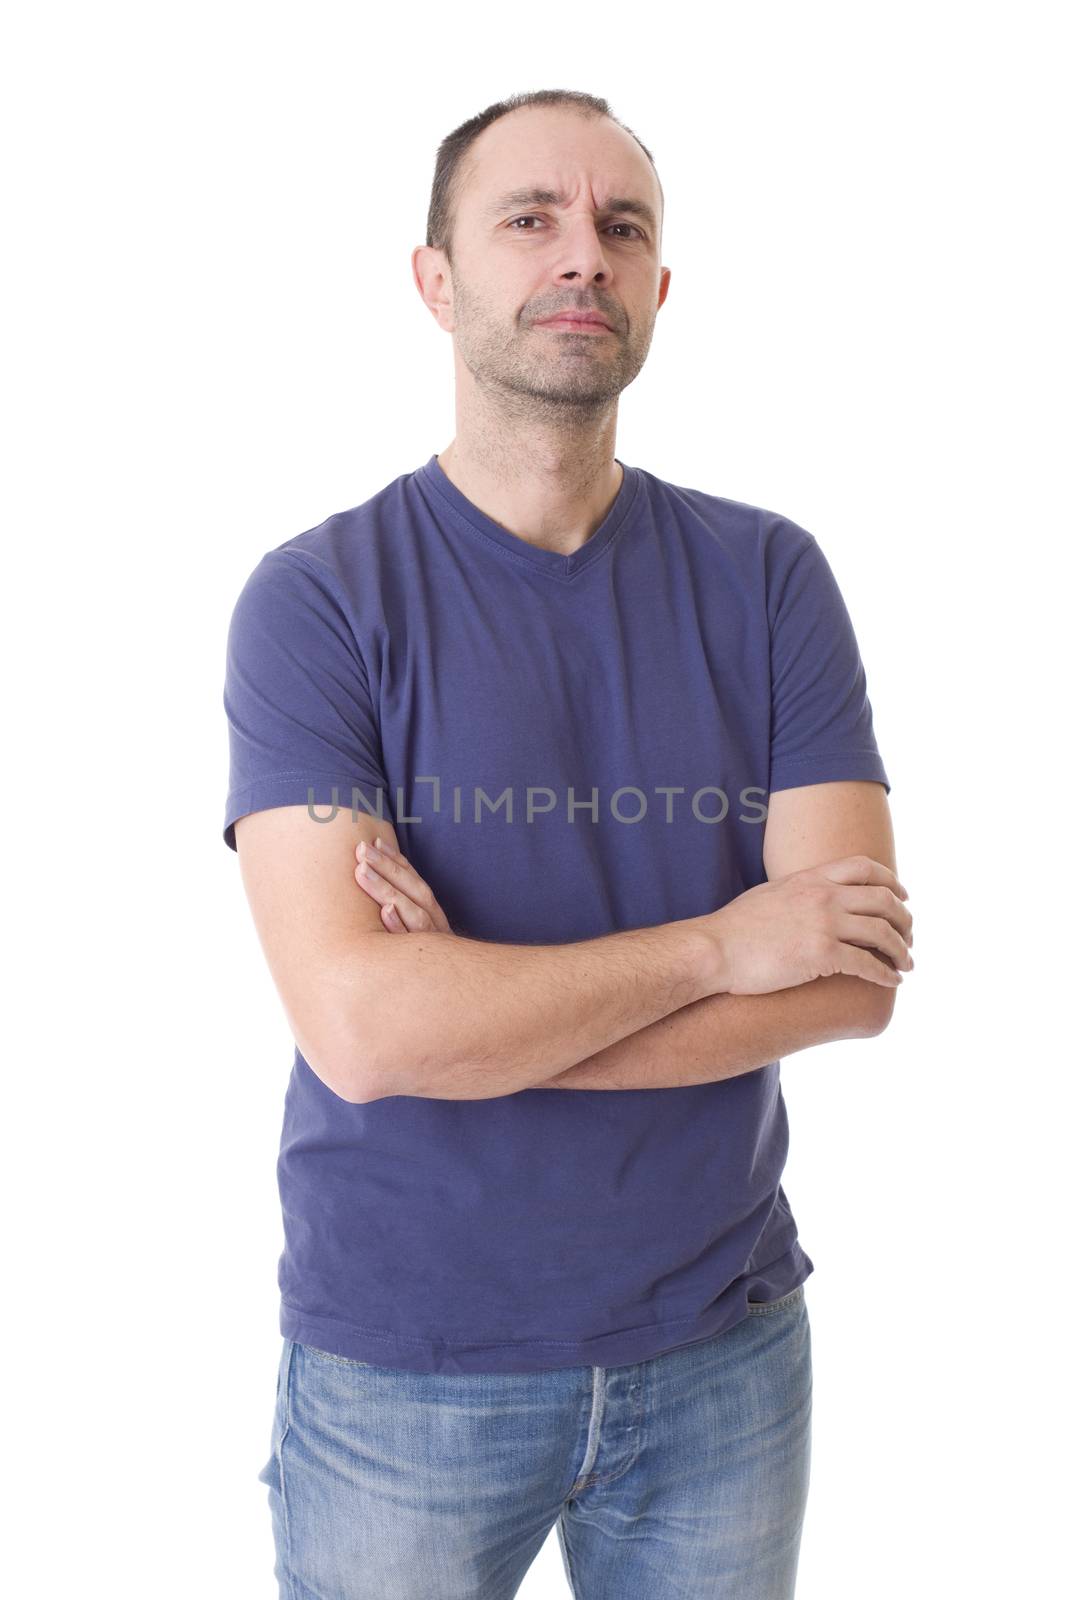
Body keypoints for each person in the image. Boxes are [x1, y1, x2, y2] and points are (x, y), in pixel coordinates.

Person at [223, 88, 913, 1600]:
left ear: (660, 288)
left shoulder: (770, 577)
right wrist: (725, 945)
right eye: (527, 219)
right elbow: (360, 1026)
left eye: (622, 227)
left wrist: (466, 1017)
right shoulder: (320, 601)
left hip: (723, 1354)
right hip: (407, 1369)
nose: (580, 256)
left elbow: (852, 979)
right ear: (438, 278)